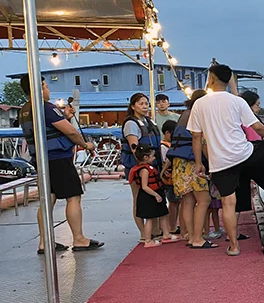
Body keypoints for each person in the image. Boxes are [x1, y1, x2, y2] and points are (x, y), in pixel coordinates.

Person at [189, 64, 264, 256]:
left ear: (211, 79)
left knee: (228, 203)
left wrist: (199, 162)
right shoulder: (237, 101)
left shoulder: (199, 104)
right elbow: (256, 126)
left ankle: (234, 246)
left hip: (220, 162)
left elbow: (196, 138)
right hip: (244, 153)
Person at [19, 74, 103, 254]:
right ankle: (79, 239)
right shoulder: (46, 107)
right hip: (58, 159)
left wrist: (64, 116)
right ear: (39, 87)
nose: (48, 89)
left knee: (47, 199)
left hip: (41, 160)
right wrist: (85, 144)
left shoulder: (25, 110)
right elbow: (70, 132)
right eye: (45, 85)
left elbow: (50, 128)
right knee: (73, 196)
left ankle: (44, 242)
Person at [167, 90, 214, 249]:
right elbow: (201, 141)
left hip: (178, 164)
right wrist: (211, 162)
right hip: (192, 162)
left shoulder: (183, 115)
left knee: (187, 201)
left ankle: (190, 236)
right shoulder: (198, 115)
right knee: (204, 200)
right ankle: (198, 238)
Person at [121, 93, 161, 242]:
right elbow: (135, 148)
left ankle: (156, 230)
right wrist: (144, 164)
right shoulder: (131, 123)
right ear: (133, 106)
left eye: (146, 104)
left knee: (154, 197)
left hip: (152, 166)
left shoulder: (149, 121)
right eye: (141, 104)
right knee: (139, 199)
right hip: (138, 168)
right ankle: (144, 233)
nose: (145, 106)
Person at [129, 144, 181, 248]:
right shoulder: (144, 170)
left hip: (156, 193)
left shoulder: (149, 168)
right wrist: (155, 195)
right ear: (145, 157)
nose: (154, 158)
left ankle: (166, 234)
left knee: (163, 214)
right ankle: (148, 240)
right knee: (149, 218)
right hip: (149, 195)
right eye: (152, 156)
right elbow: (144, 186)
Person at [160, 120, 181, 236]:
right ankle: (171, 226)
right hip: (169, 179)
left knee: (176, 202)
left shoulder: (168, 145)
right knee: (173, 202)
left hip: (172, 178)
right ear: (167, 133)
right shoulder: (164, 146)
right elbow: (165, 161)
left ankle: (173, 224)